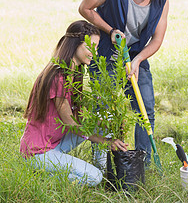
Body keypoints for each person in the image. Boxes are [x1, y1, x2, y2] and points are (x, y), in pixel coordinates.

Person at [79, 0, 183, 166]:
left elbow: (157, 39)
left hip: (136, 57)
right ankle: (101, 163)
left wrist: (138, 60)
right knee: (104, 109)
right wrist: (110, 30)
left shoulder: (161, 1)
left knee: (146, 110)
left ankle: (140, 164)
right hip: (106, 56)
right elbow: (85, 8)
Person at [19, 20, 128, 186]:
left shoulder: (73, 74)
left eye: (96, 48)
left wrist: (108, 123)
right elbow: (70, 123)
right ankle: (41, 178)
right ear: (75, 45)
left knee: (101, 117)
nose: (94, 53)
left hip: (55, 143)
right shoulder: (57, 76)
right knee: (93, 177)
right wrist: (106, 142)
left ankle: (102, 168)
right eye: (90, 47)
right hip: (39, 152)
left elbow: (81, 117)